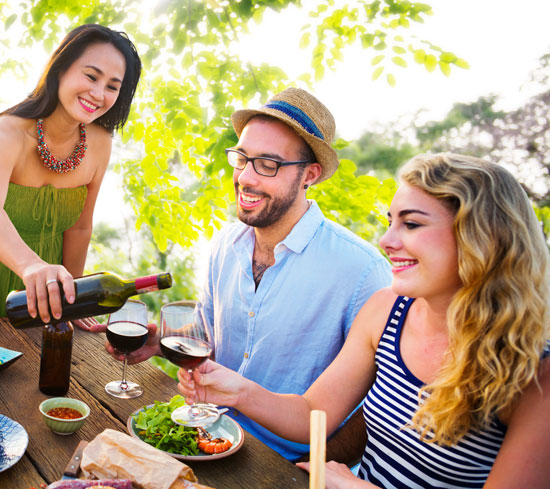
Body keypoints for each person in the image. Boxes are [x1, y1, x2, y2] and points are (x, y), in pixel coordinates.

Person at [181, 153, 550, 489]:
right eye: (391, 220)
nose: (387, 240)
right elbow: (312, 416)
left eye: (411, 224)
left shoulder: (537, 374)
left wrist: (354, 488)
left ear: (481, 237)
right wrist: (239, 391)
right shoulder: (388, 310)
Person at [107, 87, 391, 461]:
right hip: (204, 435)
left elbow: (377, 410)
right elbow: (208, 337)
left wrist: (311, 475)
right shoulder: (226, 243)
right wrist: (162, 341)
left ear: (310, 175)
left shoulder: (363, 271)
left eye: (268, 165)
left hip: (287, 464)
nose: (246, 178)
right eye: (242, 158)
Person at [0, 23, 142, 324]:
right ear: (60, 68)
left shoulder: (100, 144)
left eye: (112, 86)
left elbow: (79, 228)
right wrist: (31, 266)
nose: (98, 93)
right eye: (91, 76)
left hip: (50, 284)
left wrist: (74, 297)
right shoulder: (5, 131)